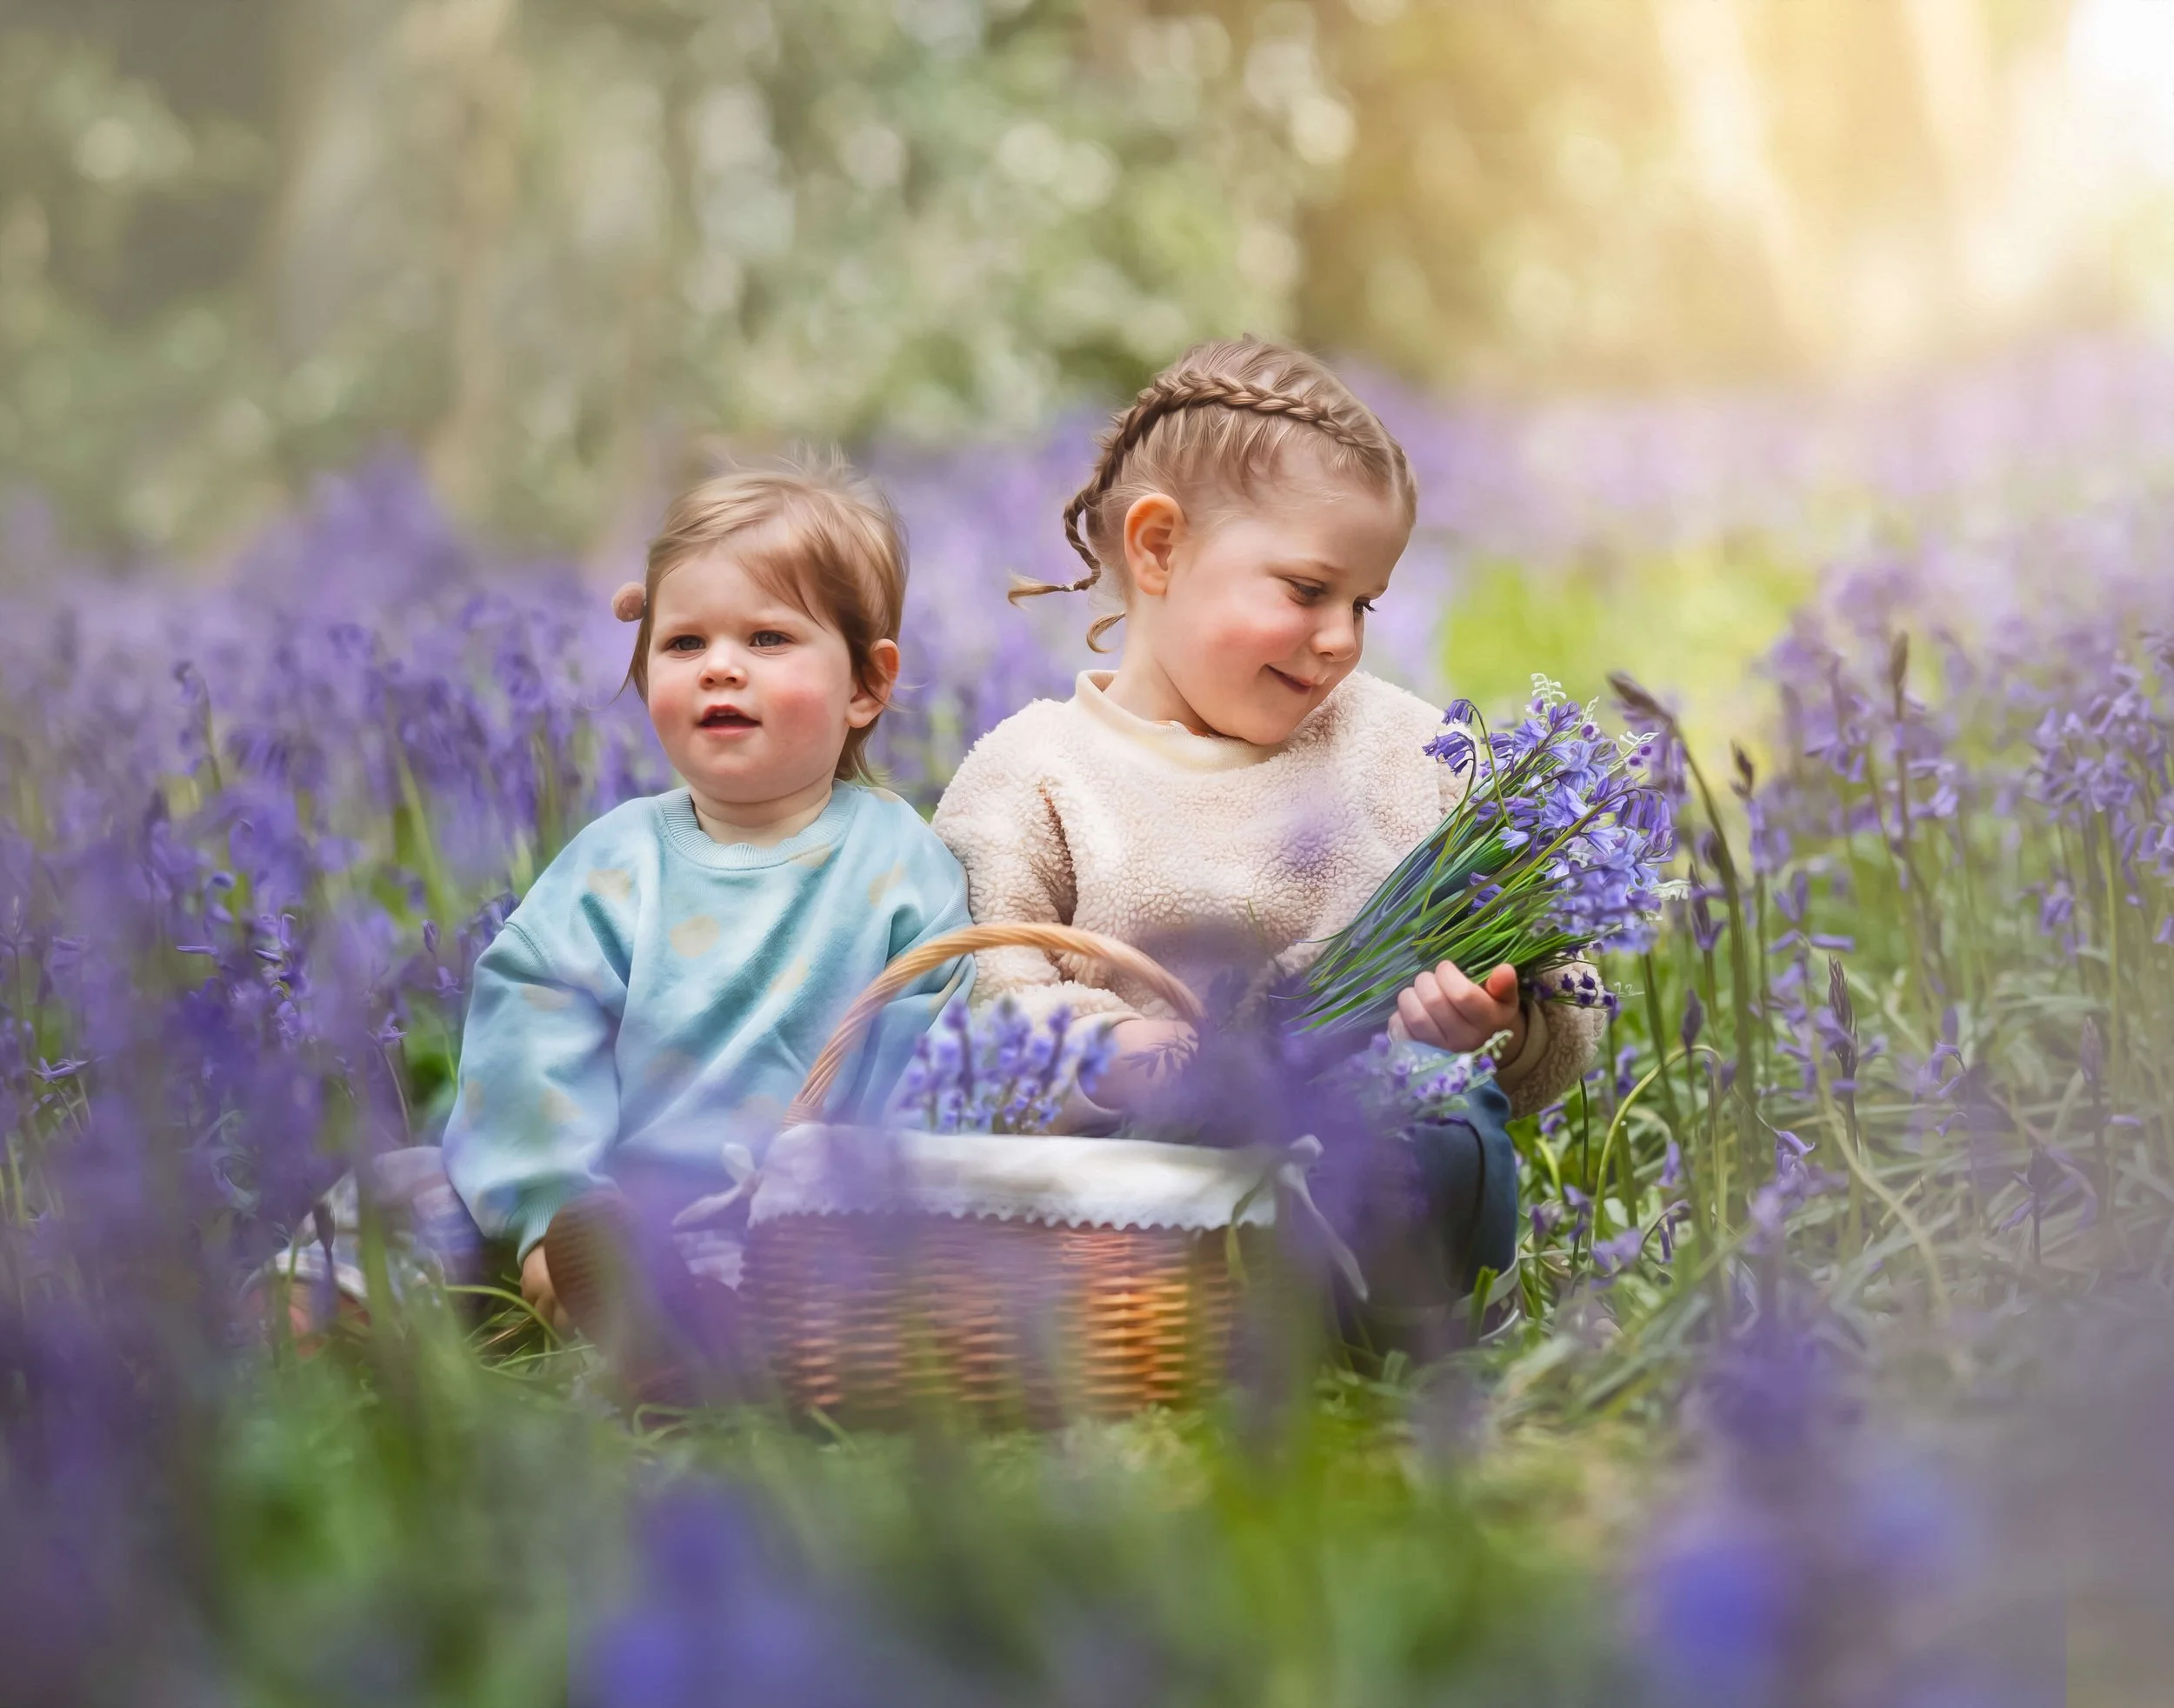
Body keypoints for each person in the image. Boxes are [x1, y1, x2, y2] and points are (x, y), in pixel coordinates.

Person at [930, 337, 1604, 1340]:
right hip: (1148, 1178)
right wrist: (1108, 1050)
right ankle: (1222, 1316)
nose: (1340, 637)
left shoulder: (1406, 749)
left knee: (1453, 1143)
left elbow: (1562, 995)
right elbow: (976, 994)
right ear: (1157, 550)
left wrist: (1491, 1026)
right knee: (1123, 1186)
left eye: (1363, 603)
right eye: (1305, 590)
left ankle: (1387, 1311)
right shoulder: (1032, 773)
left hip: (1362, 1145)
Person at [264, 458, 972, 1391]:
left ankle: (674, 1336)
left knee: (749, 1275)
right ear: (644, 678)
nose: (721, 664)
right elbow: (531, 1032)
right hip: (588, 1203)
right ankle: (317, 1322)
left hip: (777, 1221)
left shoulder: (901, 862)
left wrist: (838, 1198)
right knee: (402, 1188)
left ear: (865, 686)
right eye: (684, 643)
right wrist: (548, 1209)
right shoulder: (617, 859)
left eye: (767, 636)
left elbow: (929, 1047)